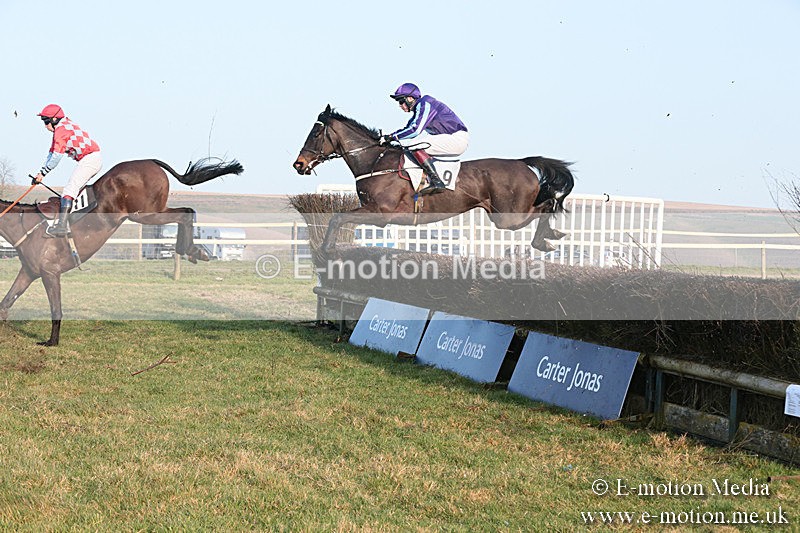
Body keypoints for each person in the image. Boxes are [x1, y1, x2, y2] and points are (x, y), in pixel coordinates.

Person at [380, 83, 469, 195]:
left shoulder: (425, 104)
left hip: (456, 139)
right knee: (410, 147)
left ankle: (436, 181)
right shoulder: (420, 108)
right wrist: (389, 137)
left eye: (401, 101)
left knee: (414, 145)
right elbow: (407, 129)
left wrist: (391, 137)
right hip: (450, 138)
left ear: (410, 98)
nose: (400, 105)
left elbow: (415, 130)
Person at [32, 104, 102, 237]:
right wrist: (40, 173)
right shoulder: (63, 126)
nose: (45, 125)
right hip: (90, 158)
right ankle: (69, 223)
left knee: (69, 191)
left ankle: (62, 227)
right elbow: (51, 154)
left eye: (46, 121)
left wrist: (43, 173)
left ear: (54, 119)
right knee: (72, 191)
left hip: (90, 159)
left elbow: (56, 157)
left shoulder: (60, 131)